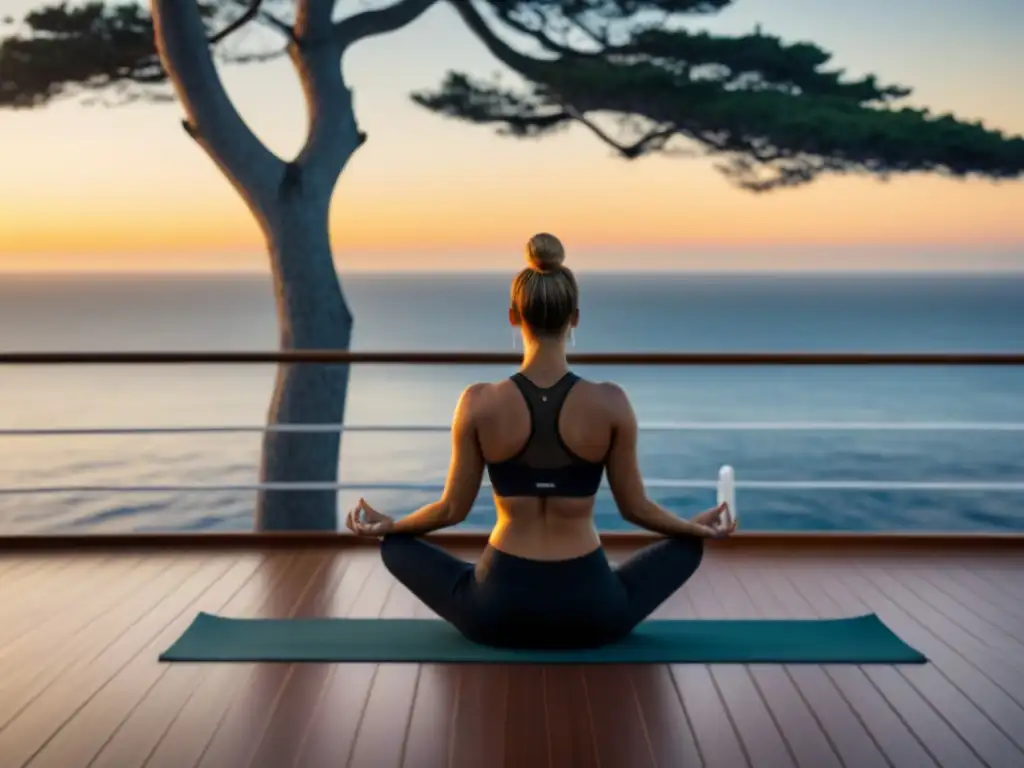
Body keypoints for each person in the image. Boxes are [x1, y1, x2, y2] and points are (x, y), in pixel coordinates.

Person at [345, 233, 737, 649]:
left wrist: (392, 526)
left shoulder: (478, 402)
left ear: (514, 316)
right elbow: (635, 509)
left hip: (497, 610)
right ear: (576, 318)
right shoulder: (611, 402)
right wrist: (691, 528)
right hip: (591, 612)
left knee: (395, 548)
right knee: (689, 548)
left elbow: (450, 510)